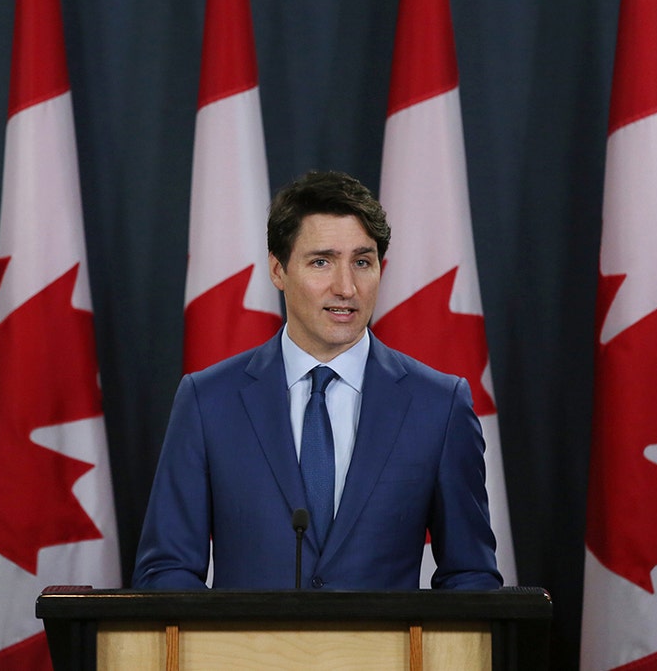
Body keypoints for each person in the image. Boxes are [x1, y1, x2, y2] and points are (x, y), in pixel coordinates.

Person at [133, 170, 501, 590]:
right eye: (321, 262)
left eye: (362, 262)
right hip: (247, 655)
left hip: (385, 656)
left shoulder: (439, 405)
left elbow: (471, 575)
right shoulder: (207, 401)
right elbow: (166, 571)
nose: (346, 287)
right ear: (278, 270)